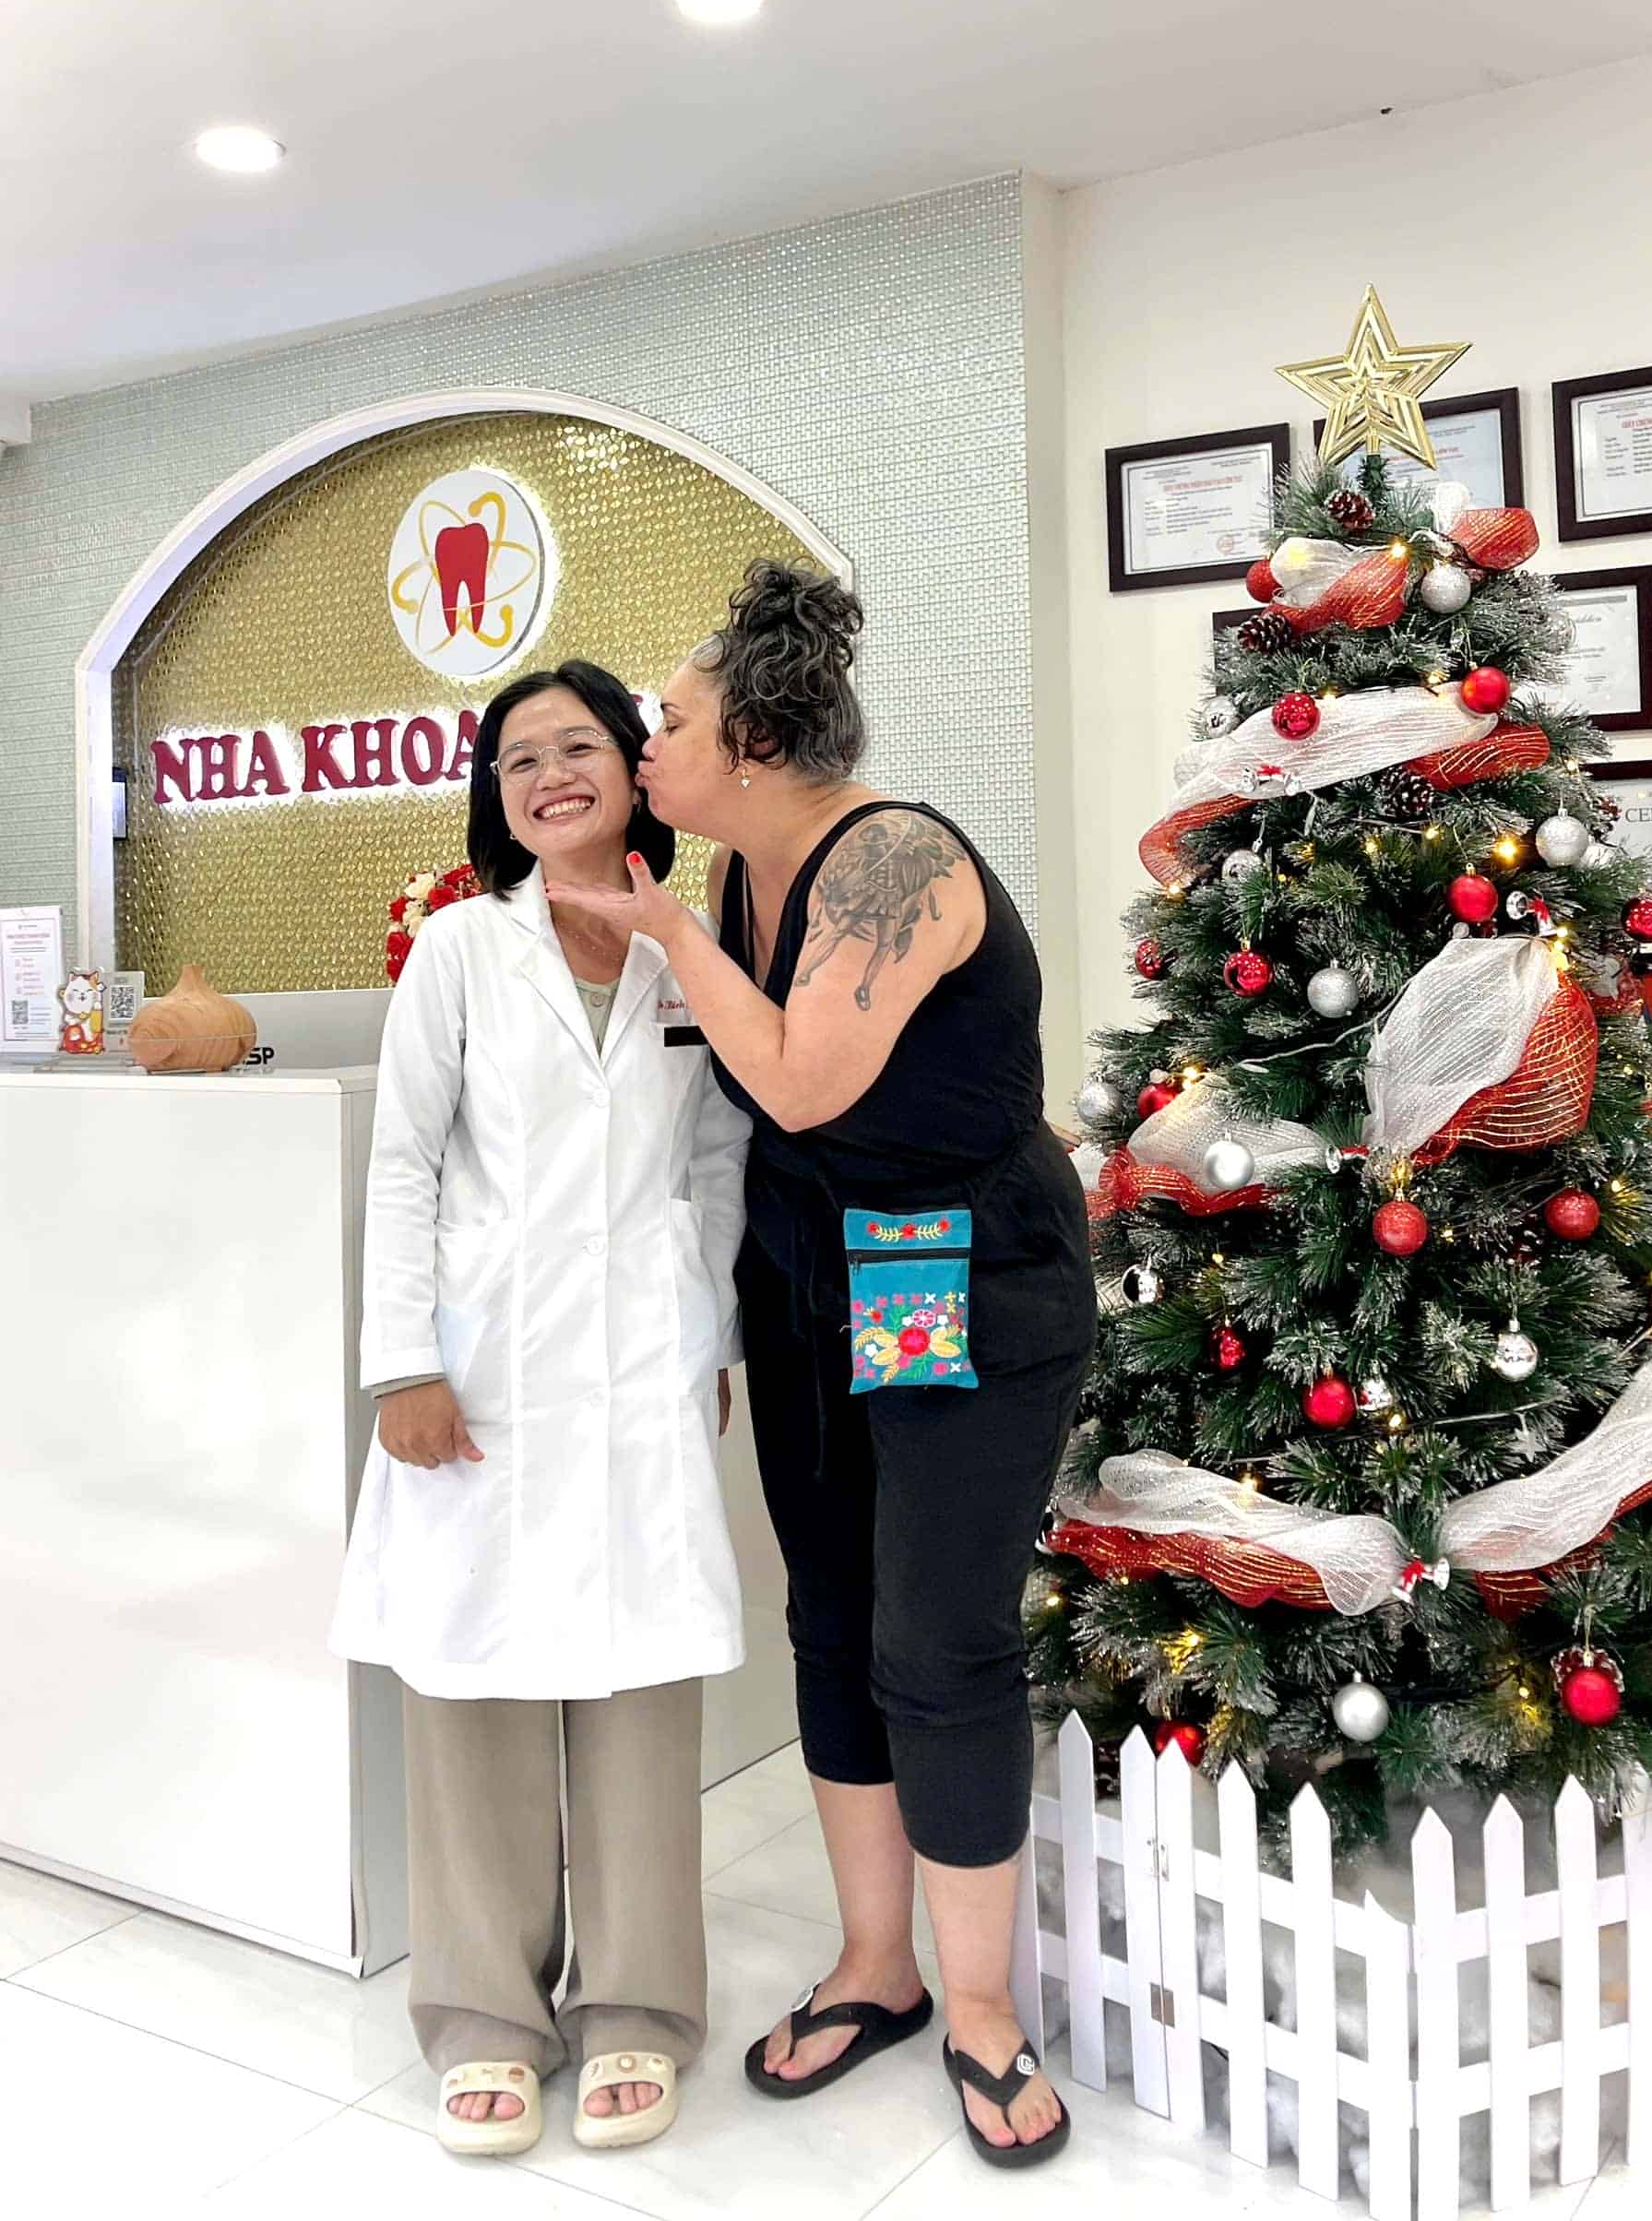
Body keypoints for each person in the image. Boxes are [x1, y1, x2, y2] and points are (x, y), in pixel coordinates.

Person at [542, 562, 1096, 2169]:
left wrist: (659, 927)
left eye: (674, 719)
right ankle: (877, 1969)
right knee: (835, 1619)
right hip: (811, 1282)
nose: (646, 742)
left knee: (939, 1638)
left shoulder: (896, 858)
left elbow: (795, 1079)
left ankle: (981, 2010)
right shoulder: (740, 873)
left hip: (956, 1274)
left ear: (762, 741)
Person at [327, 662, 751, 2159]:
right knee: (474, 1684)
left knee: (638, 1687)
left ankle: (637, 2004)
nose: (552, 774)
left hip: (640, 1366)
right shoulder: (460, 948)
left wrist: (706, 1334)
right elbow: (405, 1162)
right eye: (520, 759)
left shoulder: (688, 951)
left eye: (580, 747)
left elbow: (717, 1164)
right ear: (495, 797)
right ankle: (485, 2017)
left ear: (637, 775)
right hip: (484, 1369)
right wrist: (402, 1363)